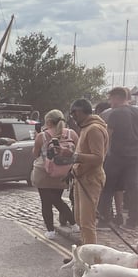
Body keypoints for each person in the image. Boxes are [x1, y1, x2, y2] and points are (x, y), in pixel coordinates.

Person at [59, 99, 108, 245]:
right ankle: (83, 253)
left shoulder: (93, 129)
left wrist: (73, 156)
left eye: (73, 113)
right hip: (82, 178)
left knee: (87, 222)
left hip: (90, 180)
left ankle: (90, 260)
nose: (72, 116)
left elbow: (98, 158)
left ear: (79, 111)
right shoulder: (87, 127)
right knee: (80, 219)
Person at [31, 110, 79, 239]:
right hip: (63, 173)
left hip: (44, 173)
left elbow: (35, 154)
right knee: (57, 199)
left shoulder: (42, 136)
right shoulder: (71, 133)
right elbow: (77, 152)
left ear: (48, 122)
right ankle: (74, 224)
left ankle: (51, 231)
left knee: (46, 202)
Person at [96, 87, 138, 230]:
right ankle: (132, 222)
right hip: (135, 157)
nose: (110, 102)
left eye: (110, 98)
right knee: (133, 189)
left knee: (107, 187)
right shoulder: (137, 111)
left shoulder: (115, 113)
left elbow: (107, 136)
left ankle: (104, 220)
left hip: (116, 155)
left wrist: (101, 155)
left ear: (117, 97)